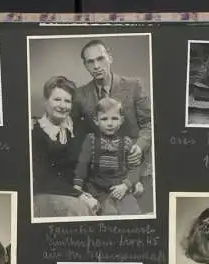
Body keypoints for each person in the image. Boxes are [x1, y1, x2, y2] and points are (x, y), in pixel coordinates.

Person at [73, 39, 153, 213]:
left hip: (135, 162)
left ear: (110, 58)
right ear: (85, 65)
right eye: (90, 61)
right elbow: (77, 135)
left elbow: (148, 124)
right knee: (106, 213)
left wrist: (139, 147)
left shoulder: (134, 86)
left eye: (100, 58)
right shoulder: (80, 95)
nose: (96, 66)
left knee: (137, 213)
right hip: (101, 174)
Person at [32, 75, 100, 218]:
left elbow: (104, 142)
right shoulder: (36, 133)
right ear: (45, 101)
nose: (62, 106)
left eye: (67, 101)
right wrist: (79, 195)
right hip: (49, 191)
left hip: (80, 188)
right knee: (79, 209)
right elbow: (43, 177)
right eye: (57, 99)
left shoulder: (78, 126)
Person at [73, 97, 143, 215]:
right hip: (97, 189)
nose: (110, 123)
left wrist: (125, 186)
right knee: (110, 213)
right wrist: (77, 187)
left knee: (132, 212)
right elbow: (82, 165)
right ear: (96, 120)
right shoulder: (91, 140)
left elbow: (135, 168)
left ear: (121, 120)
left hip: (120, 187)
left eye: (114, 118)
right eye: (104, 119)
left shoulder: (126, 142)